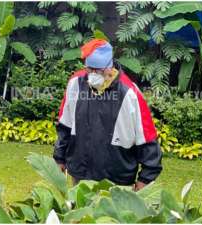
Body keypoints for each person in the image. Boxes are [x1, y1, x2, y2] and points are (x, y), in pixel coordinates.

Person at [53, 39, 162, 190]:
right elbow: (65, 125)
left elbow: (147, 138)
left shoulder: (130, 93)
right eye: (89, 69)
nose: (92, 74)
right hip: (80, 174)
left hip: (116, 181)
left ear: (109, 67)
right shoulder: (76, 83)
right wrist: (59, 158)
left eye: (98, 70)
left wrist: (146, 178)